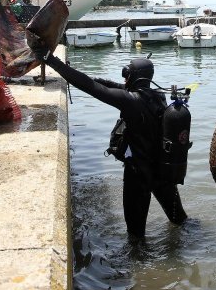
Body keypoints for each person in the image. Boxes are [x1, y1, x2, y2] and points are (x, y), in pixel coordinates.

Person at [32, 48, 188, 239]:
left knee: (136, 236)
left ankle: (138, 264)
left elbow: (91, 87)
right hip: (163, 172)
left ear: (133, 76)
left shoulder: (129, 101)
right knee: (181, 221)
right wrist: (76, 73)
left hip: (138, 175)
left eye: (126, 74)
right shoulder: (159, 96)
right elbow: (107, 85)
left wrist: (52, 61)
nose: (124, 79)